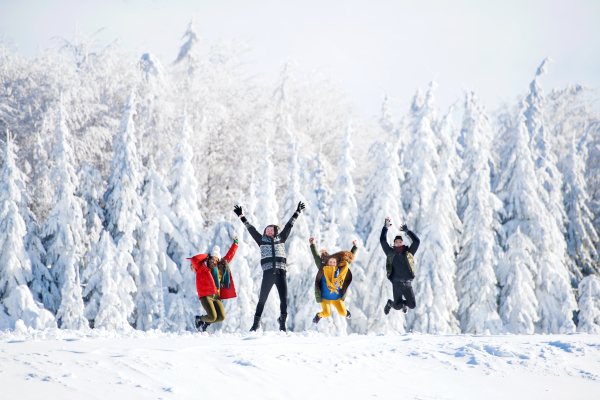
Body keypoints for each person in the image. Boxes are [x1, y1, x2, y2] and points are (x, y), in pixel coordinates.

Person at [233, 202, 305, 332]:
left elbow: (289, 225)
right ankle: (256, 323)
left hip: (281, 273)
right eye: (267, 229)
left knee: (284, 299)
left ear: (276, 231)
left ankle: (282, 323)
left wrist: (297, 212)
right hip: (268, 274)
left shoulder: (281, 238)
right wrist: (241, 216)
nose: (269, 230)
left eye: (271, 229)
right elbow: (251, 229)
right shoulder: (261, 240)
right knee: (262, 299)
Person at [187, 238, 239, 332]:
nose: (214, 261)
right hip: (205, 295)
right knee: (212, 316)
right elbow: (195, 259)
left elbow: (229, 256)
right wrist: (207, 256)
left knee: (221, 317)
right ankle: (199, 319)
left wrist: (235, 244)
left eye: (216, 259)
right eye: (213, 259)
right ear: (209, 258)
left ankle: (206, 323)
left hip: (216, 295)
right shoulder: (202, 266)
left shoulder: (220, 267)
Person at [309, 237, 357, 325]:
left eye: (334, 262)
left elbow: (348, 261)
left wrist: (354, 248)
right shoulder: (322, 268)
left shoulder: (341, 270)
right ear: (327, 262)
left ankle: (347, 312)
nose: (332, 264)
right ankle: (318, 316)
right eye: (330, 262)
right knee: (327, 314)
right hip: (325, 298)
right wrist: (312, 244)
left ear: (336, 263)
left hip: (337, 298)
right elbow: (316, 257)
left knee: (343, 312)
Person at [380, 217, 420, 315]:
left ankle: (404, 305)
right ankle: (390, 304)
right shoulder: (390, 252)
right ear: (394, 244)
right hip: (396, 283)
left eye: (400, 241)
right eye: (396, 242)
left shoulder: (409, 252)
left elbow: (417, 242)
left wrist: (407, 231)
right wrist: (385, 228)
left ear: (403, 243)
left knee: (412, 305)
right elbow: (382, 241)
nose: (398, 243)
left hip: (407, 283)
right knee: (397, 306)